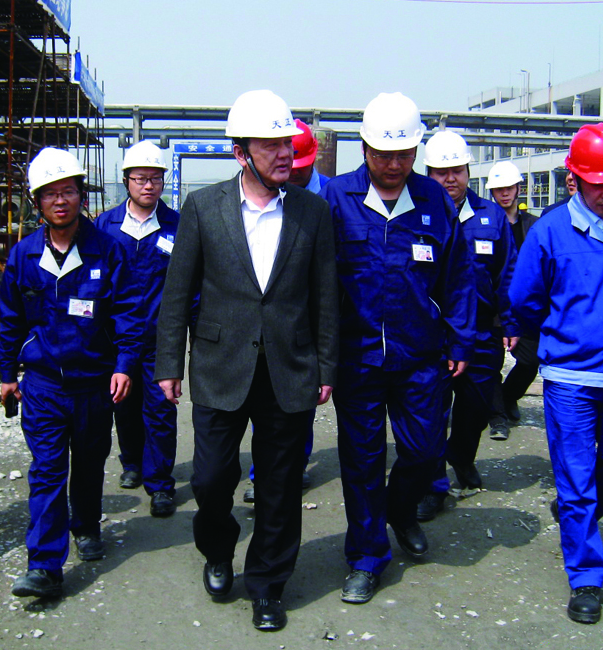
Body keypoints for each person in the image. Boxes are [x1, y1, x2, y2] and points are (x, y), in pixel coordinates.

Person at [155, 90, 338, 632]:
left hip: (289, 367)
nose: (284, 154)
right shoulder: (203, 207)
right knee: (211, 479)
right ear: (241, 153)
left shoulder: (312, 212)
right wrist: (169, 364)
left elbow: (326, 296)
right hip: (220, 365)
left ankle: (267, 585)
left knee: (280, 486)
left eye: (286, 144)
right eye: (270, 145)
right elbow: (177, 292)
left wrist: (327, 367)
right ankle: (217, 550)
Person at [319, 93, 475, 605]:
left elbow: (458, 276)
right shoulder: (335, 199)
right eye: (383, 155)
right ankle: (367, 557)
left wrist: (460, 337)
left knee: (426, 451)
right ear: (364, 149)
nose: (393, 165)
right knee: (362, 462)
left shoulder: (434, 200)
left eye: (404, 155)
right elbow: (316, 281)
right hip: (357, 359)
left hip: (420, 356)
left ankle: (400, 510)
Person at [509, 123, 603, 625]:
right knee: (575, 479)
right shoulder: (551, 232)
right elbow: (524, 300)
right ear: (576, 179)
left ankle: (576, 514)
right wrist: (566, 334)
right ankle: (587, 577)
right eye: (599, 183)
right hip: (571, 378)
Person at [0, 147, 141, 599]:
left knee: (90, 461)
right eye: (50, 194)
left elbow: (129, 314)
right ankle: (44, 565)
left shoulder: (109, 250)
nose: (60, 201)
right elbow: (10, 321)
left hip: (94, 383)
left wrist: (124, 365)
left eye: (68, 191)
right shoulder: (23, 256)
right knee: (46, 470)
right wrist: (7, 373)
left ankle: (87, 524)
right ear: (37, 201)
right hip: (42, 385)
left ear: (82, 195)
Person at [418, 132, 519, 522]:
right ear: (428, 173)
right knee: (431, 413)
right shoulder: (418, 214)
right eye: (441, 172)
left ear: (468, 172)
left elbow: (508, 272)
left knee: (476, 408)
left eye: (457, 171)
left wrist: (510, 321)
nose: (450, 179)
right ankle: (433, 485)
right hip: (435, 335)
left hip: (482, 333)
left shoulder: (491, 217)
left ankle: (461, 456)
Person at [242, 118, 326, 504]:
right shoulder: (259, 197)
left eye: (300, 165)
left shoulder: (328, 201)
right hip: (263, 329)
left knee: (297, 409)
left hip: (304, 328)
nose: (293, 171)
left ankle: (292, 467)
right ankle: (262, 475)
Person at [96, 140, 180, 517]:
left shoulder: (177, 226)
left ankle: (160, 483)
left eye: (156, 178)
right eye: (141, 178)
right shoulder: (106, 227)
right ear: (126, 180)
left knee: (161, 409)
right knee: (124, 405)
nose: (149, 185)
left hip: (162, 337)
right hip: (116, 339)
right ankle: (132, 462)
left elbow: (190, 284)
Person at [482, 161, 539, 441]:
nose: (504, 194)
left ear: (518, 189)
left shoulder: (533, 225)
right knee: (492, 363)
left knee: (530, 360)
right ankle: (497, 418)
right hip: (493, 303)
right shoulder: (485, 222)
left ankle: (507, 396)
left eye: (509, 188)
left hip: (525, 304)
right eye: (498, 189)